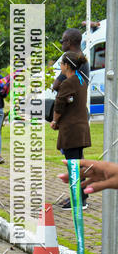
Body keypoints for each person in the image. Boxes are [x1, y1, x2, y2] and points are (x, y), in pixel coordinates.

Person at [50, 53, 91, 210]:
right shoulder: (81, 80)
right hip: (80, 128)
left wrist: (54, 121)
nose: (60, 66)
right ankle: (82, 195)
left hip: (71, 130)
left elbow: (59, 104)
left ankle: (78, 201)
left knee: (72, 166)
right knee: (78, 164)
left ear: (67, 65)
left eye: (61, 63)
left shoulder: (68, 83)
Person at [52, 29, 90, 93]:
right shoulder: (81, 57)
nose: (61, 44)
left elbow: (55, 86)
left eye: (62, 41)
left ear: (68, 42)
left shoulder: (72, 60)